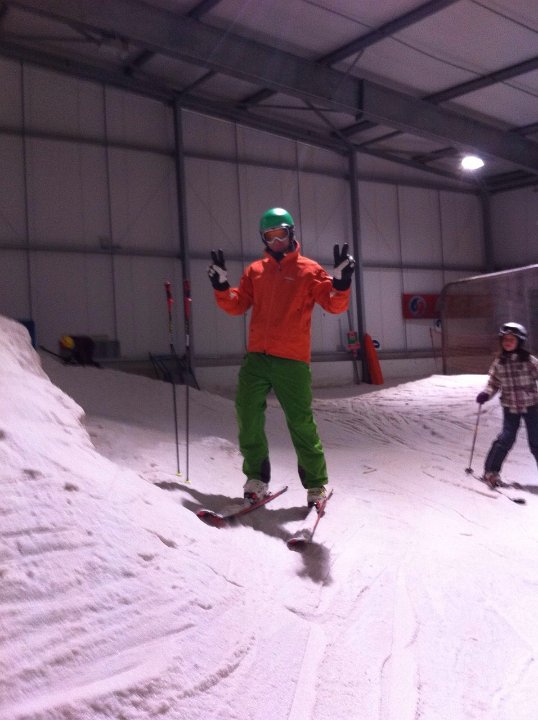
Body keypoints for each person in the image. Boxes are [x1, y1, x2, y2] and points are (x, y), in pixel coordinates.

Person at [207, 207, 355, 510]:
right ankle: (256, 479)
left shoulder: (309, 270)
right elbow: (238, 304)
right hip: (257, 358)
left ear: (291, 234)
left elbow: (333, 304)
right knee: (247, 413)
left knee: (300, 422)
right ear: (263, 238)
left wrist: (341, 284)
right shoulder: (255, 271)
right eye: (270, 236)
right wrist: (222, 288)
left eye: (281, 235)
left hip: (291, 359)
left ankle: (316, 484)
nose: (276, 242)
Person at [476, 322, 538, 488]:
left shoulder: (529, 361)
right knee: (506, 438)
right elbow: (493, 383)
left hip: (532, 406)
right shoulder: (499, 363)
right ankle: (491, 471)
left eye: (511, 340)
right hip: (510, 407)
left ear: (520, 342)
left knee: (536, 441)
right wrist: (486, 394)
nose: (508, 342)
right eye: (505, 340)